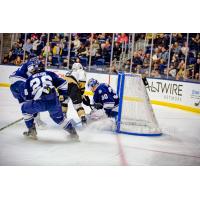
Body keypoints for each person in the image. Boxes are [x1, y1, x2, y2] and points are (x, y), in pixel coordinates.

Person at [21, 62, 79, 140]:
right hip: (53, 102)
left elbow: (27, 97)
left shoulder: (29, 79)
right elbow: (63, 83)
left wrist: (33, 110)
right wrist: (63, 94)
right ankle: (73, 133)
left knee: (24, 109)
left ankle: (31, 131)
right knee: (59, 119)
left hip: (39, 103)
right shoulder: (49, 73)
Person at [9, 57, 46, 127]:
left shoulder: (30, 64)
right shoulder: (32, 61)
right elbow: (31, 69)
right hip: (20, 83)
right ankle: (38, 121)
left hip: (14, 87)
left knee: (24, 105)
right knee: (33, 101)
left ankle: (31, 126)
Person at [61, 59, 87, 125]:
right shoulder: (81, 71)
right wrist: (81, 93)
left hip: (63, 87)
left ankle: (63, 117)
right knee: (78, 106)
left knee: (64, 102)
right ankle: (83, 119)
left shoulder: (69, 72)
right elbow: (82, 82)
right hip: (73, 87)